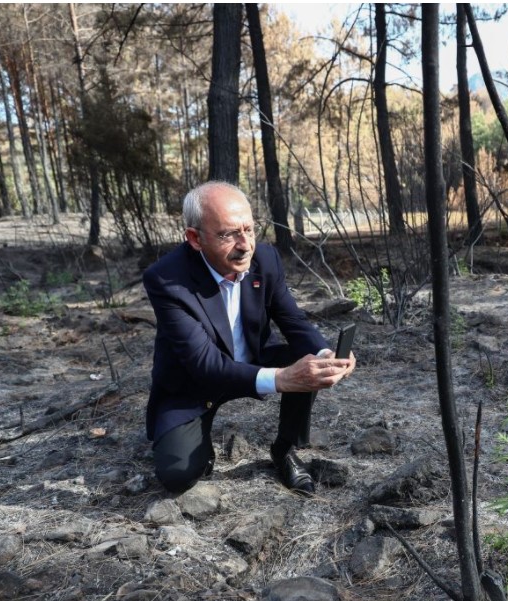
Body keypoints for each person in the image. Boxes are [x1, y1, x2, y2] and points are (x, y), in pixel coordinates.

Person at [143, 181, 355, 496]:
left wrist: (325, 354)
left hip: (252, 360)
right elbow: (204, 364)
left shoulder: (265, 259)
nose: (244, 245)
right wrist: (282, 378)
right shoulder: (167, 279)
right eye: (228, 234)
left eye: (249, 230)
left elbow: (292, 320)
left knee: (308, 364)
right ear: (195, 238)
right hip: (192, 383)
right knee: (178, 476)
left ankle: (284, 450)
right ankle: (200, 448)